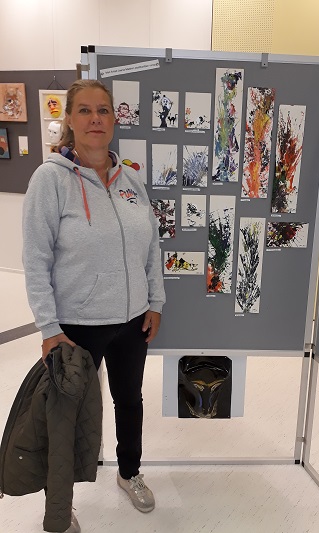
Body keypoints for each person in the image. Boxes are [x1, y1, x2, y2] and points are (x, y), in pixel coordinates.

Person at [22, 79, 166, 533]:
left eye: (103, 110)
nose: (95, 119)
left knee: (129, 401)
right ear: (69, 118)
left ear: (114, 119)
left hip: (132, 321)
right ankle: (60, 507)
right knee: (66, 417)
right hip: (76, 325)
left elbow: (151, 248)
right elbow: (36, 259)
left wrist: (155, 301)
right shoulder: (50, 180)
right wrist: (48, 327)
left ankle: (129, 472)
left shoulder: (131, 181)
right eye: (84, 110)